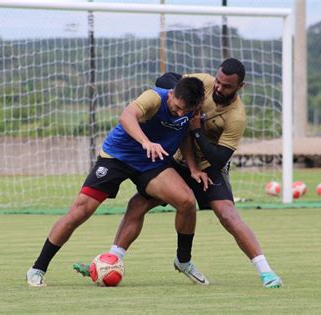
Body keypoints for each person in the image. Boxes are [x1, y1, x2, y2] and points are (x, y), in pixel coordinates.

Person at [74, 58, 283, 288]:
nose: (219, 88)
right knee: (138, 205)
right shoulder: (204, 83)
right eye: (219, 82)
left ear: (240, 87)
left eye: (227, 86)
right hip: (176, 162)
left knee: (227, 215)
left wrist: (196, 131)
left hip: (208, 167)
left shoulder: (236, 117)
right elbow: (165, 81)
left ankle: (266, 273)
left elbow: (219, 158)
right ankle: (110, 262)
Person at [26, 76, 206, 287]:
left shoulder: (191, 110)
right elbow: (127, 117)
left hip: (151, 163)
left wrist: (193, 168)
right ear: (172, 94)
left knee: (186, 201)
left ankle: (183, 261)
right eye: (177, 108)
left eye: (185, 111)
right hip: (118, 157)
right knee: (80, 211)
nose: (180, 113)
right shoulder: (153, 98)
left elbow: (184, 136)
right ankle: (37, 268)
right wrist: (146, 142)